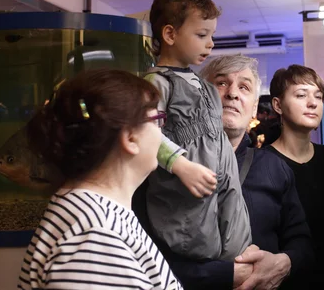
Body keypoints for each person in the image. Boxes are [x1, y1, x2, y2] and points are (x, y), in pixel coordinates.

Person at [133, 54, 314, 290]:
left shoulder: (275, 167)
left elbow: (302, 241)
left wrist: (283, 263)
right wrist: (223, 274)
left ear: (254, 109)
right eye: (220, 83)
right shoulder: (157, 169)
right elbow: (140, 254)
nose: (232, 94)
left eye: (244, 87)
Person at [17, 69, 181, 290]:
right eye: (157, 120)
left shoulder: (89, 213)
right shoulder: (96, 238)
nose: (161, 133)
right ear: (130, 137)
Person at [143, 0, 251, 261]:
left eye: (211, 35)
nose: (210, 43)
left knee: (236, 235)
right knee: (198, 243)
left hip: (224, 178)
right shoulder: (157, 83)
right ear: (170, 34)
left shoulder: (204, 86)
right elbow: (146, 133)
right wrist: (180, 164)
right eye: (201, 35)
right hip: (187, 191)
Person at [267, 64, 324, 288]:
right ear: (277, 105)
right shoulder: (261, 164)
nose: (313, 103)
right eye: (300, 95)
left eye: (318, 96)